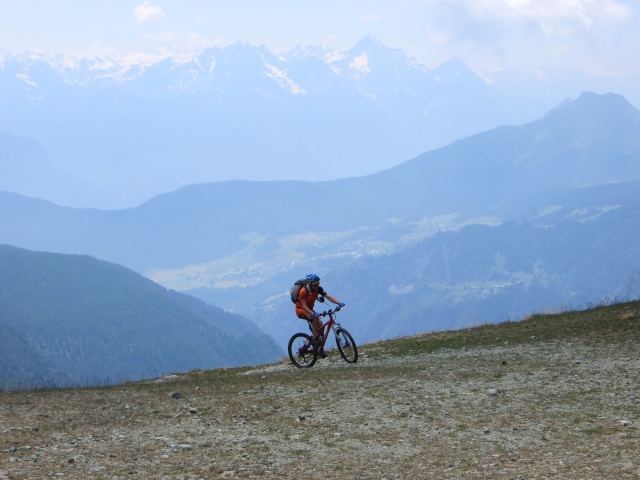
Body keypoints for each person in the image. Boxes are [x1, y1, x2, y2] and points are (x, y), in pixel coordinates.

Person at [295, 274, 344, 354]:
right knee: (315, 317)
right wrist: (312, 313)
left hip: (310, 310)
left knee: (321, 327)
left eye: (318, 284)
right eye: (315, 284)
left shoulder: (318, 289)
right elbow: (303, 306)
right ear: (310, 284)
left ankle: (319, 349)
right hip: (301, 310)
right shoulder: (303, 291)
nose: (317, 286)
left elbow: (328, 297)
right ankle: (315, 338)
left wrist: (339, 303)